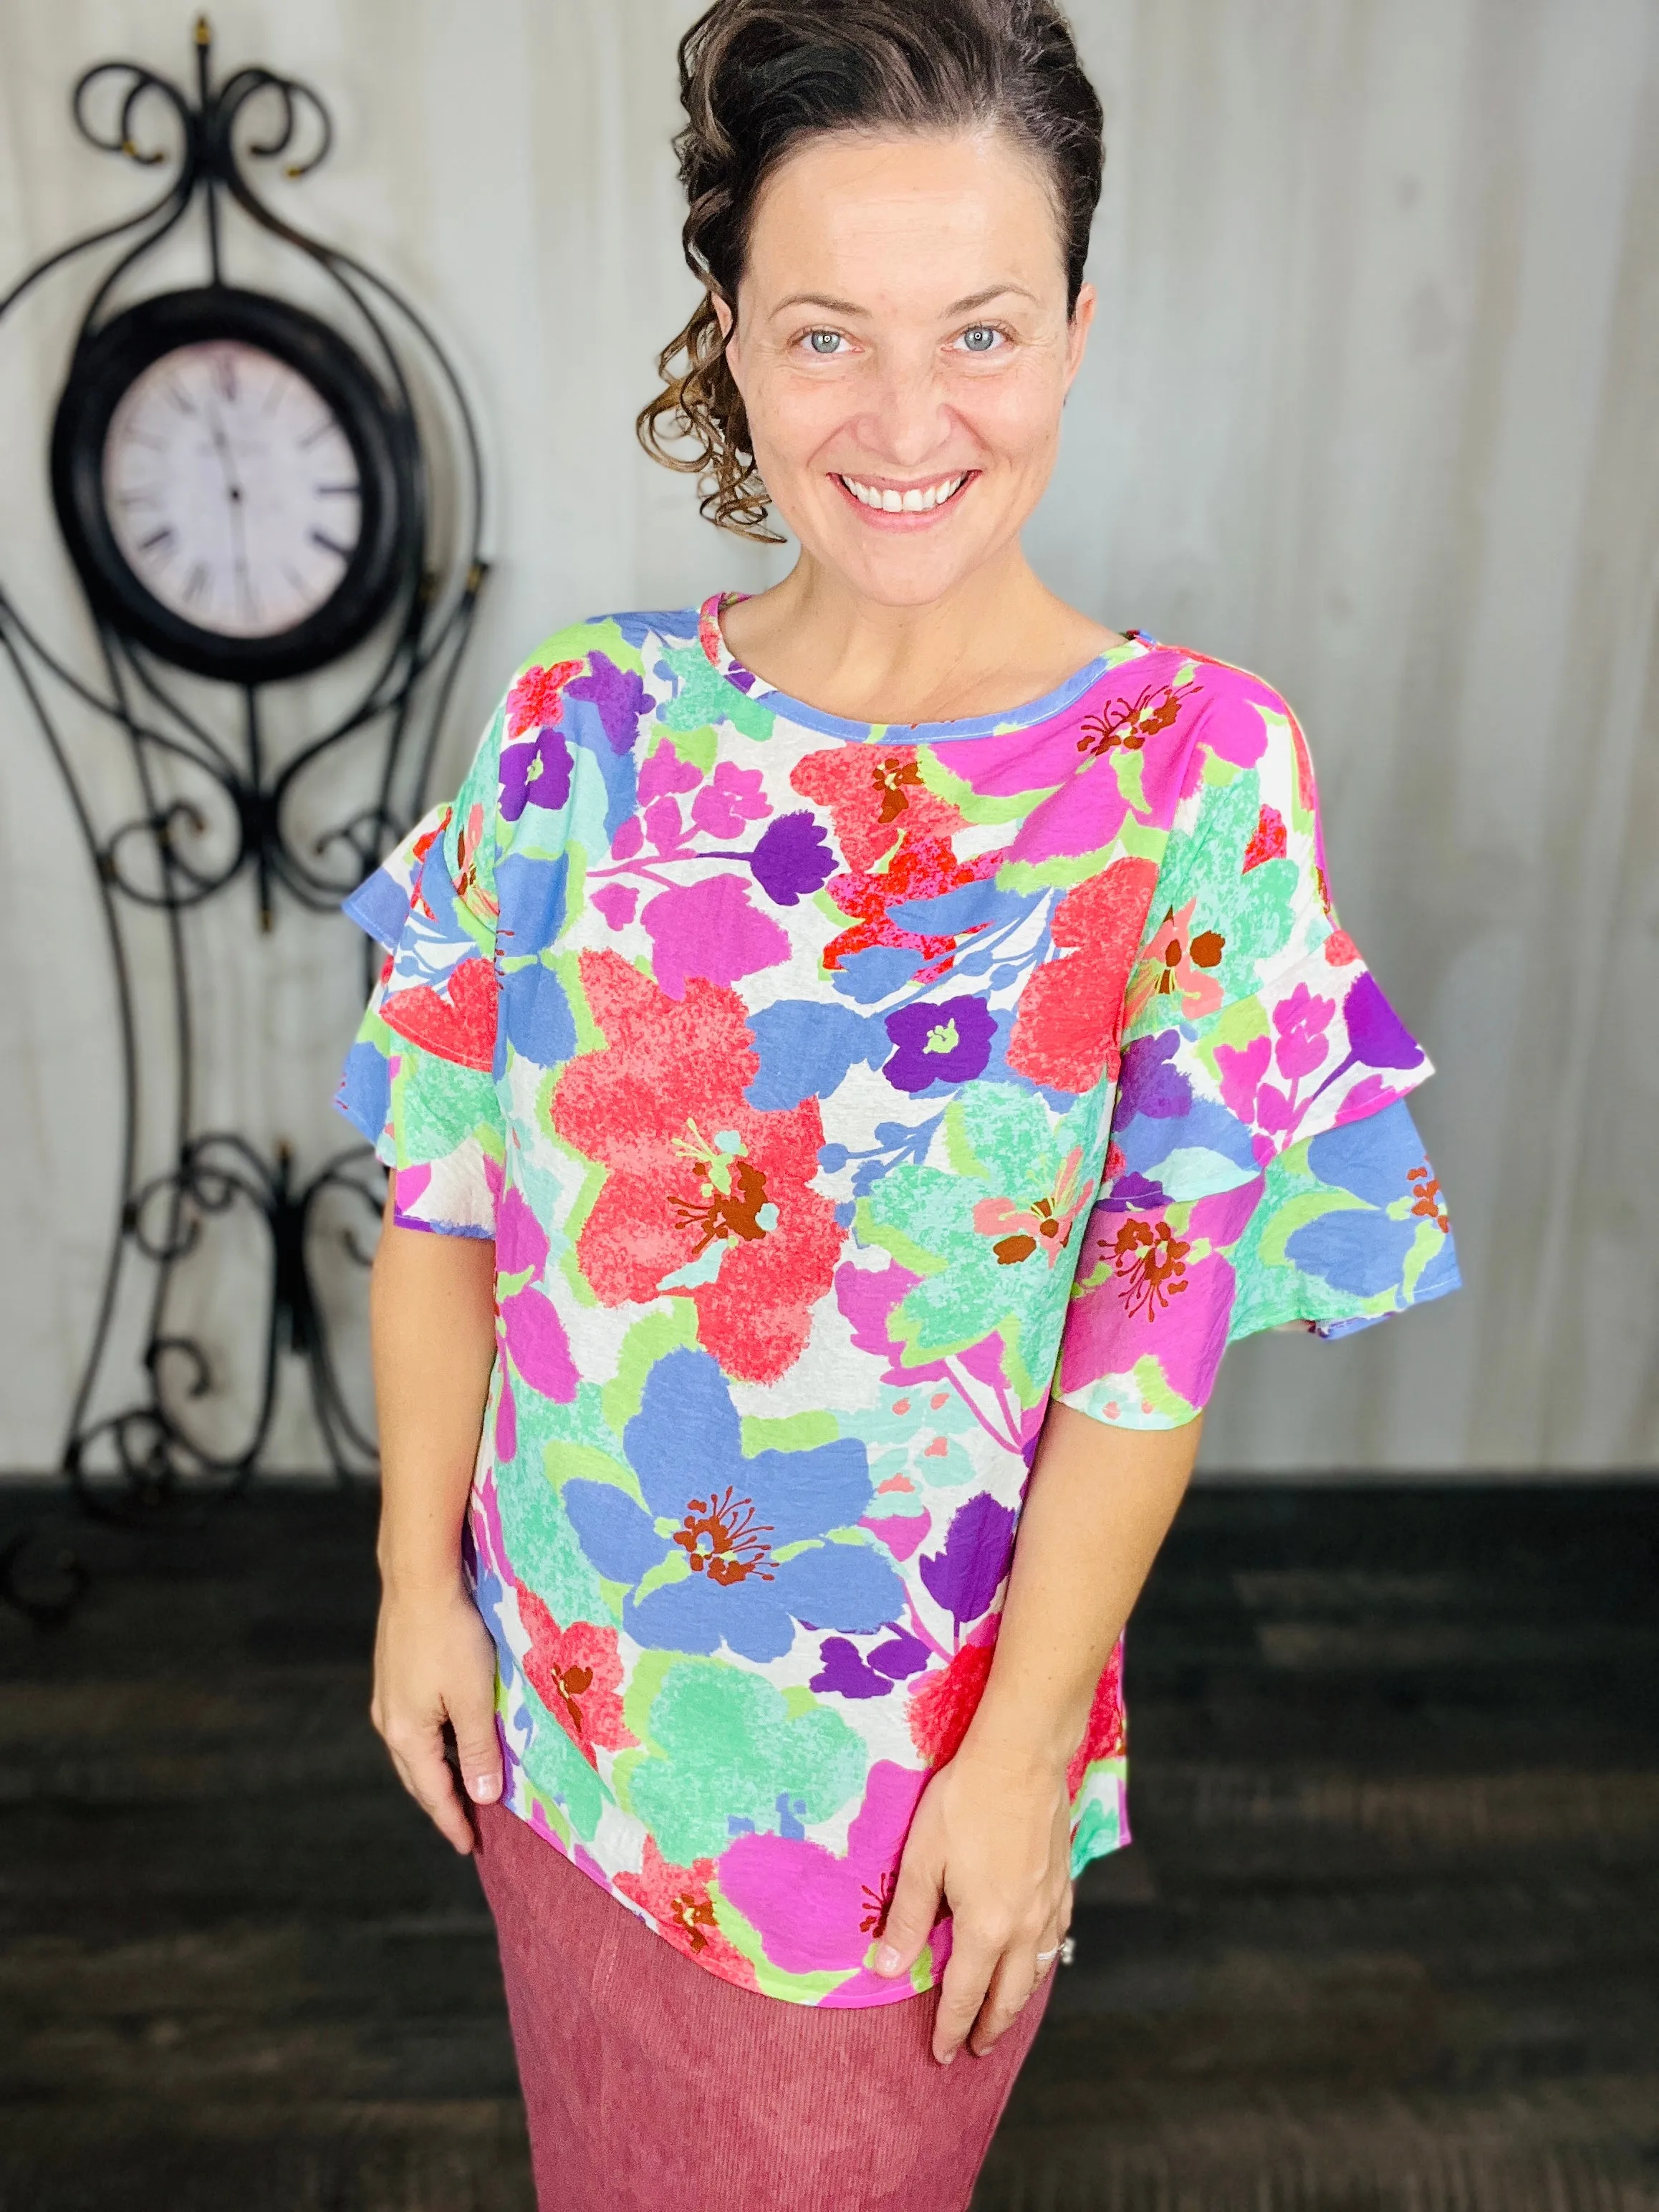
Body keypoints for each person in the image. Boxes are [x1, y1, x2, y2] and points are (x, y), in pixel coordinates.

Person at [336, 3, 1459, 2205]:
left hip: (887, 1787)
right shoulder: (575, 734)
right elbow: (445, 1204)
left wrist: (1021, 1759)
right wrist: (407, 1588)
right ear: (734, 342)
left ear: (1072, 335)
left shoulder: (1190, 780)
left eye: (980, 331)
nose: (908, 416)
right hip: (559, 1734)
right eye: (828, 334)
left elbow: (1148, 1346)